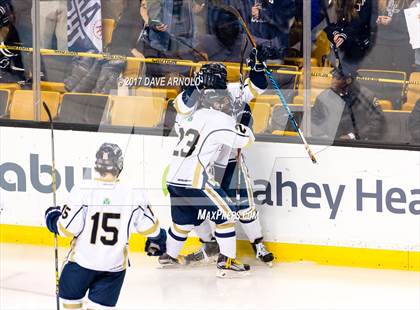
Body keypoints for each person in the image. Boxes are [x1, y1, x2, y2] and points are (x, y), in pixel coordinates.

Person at [166, 47, 275, 267]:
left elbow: (257, 87)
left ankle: (257, 243)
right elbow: (180, 106)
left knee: (244, 205)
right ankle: (211, 245)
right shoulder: (195, 97)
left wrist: (257, 66)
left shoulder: (231, 90)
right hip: (208, 166)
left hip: (231, 160)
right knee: (213, 209)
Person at [45, 143, 166, 308]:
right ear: (120, 165)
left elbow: (66, 229)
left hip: (80, 266)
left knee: (70, 304)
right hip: (113, 269)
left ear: (96, 165)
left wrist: (52, 217)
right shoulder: (134, 193)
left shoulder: (82, 189)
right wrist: (158, 239)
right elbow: (151, 228)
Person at [311, 68, 386, 141]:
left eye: (338, 78)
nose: (333, 81)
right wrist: (324, 137)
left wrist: (353, 136)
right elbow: (313, 120)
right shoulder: (324, 96)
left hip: (359, 145)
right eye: (333, 77)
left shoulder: (367, 97)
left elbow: (378, 122)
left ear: (348, 80)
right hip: (330, 144)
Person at [324, 0, 377, 74]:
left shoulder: (365, 2)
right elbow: (327, 22)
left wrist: (344, 35)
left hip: (357, 51)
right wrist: (334, 33)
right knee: (339, 80)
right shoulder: (333, 2)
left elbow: (360, 23)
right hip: (339, 51)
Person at [365, 0, 415, 72]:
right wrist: (377, 20)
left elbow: (411, 23)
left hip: (402, 43)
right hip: (381, 42)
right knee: (382, 72)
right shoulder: (377, 1)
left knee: (404, 72)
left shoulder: (407, 2)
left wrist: (392, 22)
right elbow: (370, 18)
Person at [0, 2, 26, 83]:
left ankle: (20, 77)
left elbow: (6, 26)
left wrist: (1, 43)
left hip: (9, 39)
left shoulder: (3, 8)